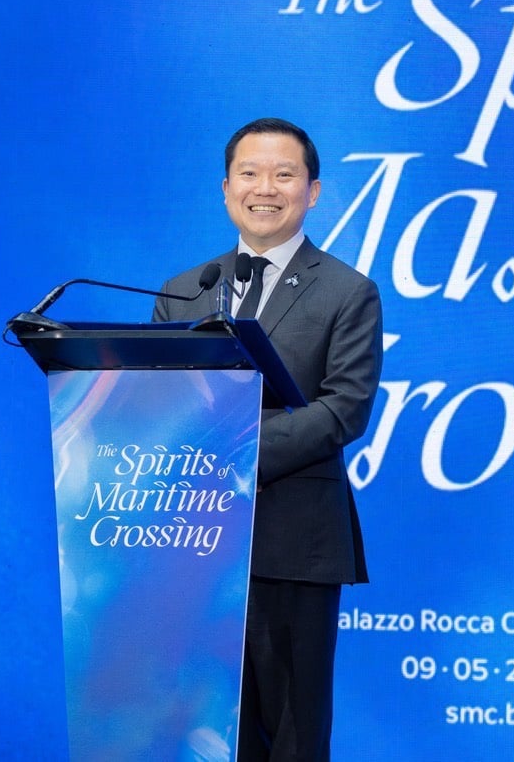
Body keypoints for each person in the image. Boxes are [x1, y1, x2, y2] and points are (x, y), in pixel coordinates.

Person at [153, 118, 383, 762]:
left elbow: (345, 408)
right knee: (199, 729)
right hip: (194, 546)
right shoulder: (183, 291)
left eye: (284, 175)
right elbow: (160, 403)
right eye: (249, 174)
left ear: (313, 191)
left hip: (294, 539)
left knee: (291, 733)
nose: (265, 188)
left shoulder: (347, 292)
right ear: (226, 188)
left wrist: (239, 449)